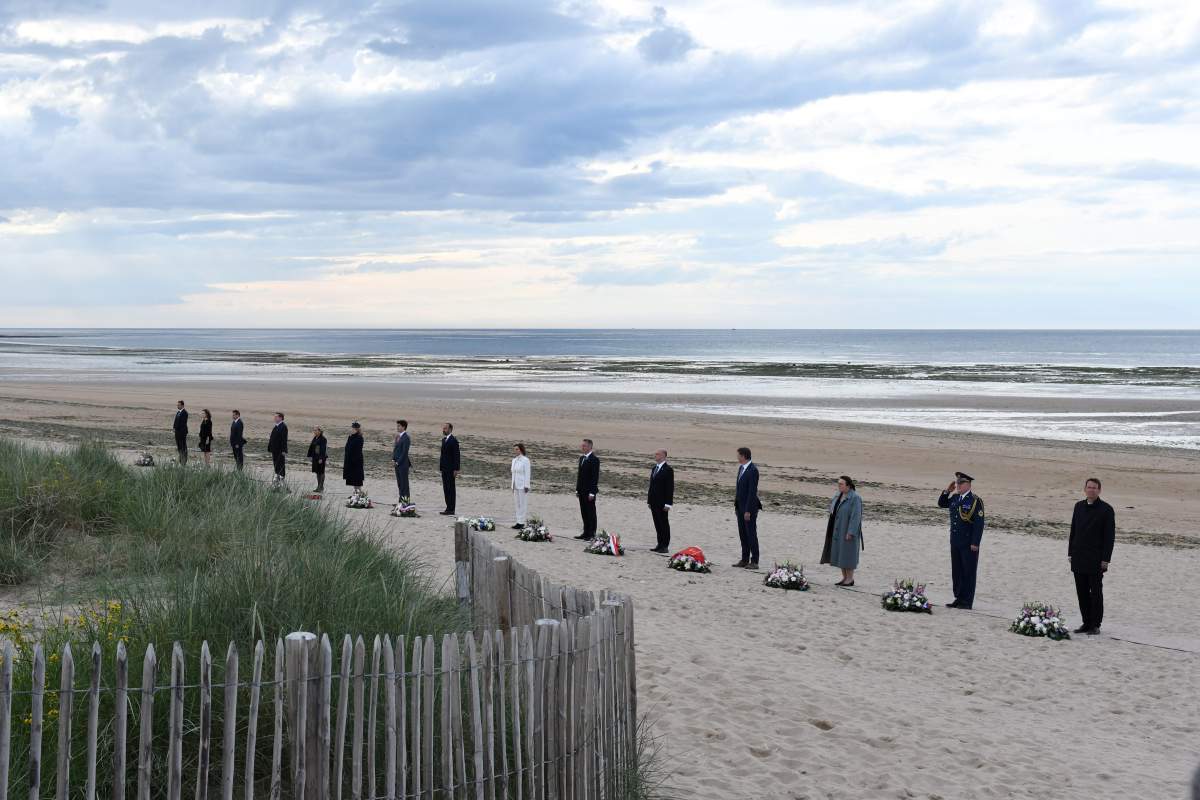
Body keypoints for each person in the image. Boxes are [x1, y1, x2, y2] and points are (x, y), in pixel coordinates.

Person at [1068, 477, 1116, 635]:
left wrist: (1106, 559)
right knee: (1081, 592)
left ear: (1099, 490)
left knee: (1096, 593)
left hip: (1096, 559)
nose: (1091, 490)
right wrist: (1070, 553)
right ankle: (1086, 622)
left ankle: (1095, 625)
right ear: (1085, 489)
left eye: (1094, 488)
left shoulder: (1106, 510)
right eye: (1089, 487)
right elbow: (1073, 531)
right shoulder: (1078, 506)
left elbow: (1109, 537)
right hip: (1078, 556)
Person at [938, 472, 985, 609]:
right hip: (955, 541)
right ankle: (958, 597)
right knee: (957, 571)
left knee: (968, 571)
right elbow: (941, 503)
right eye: (957, 483)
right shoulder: (955, 497)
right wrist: (947, 491)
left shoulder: (975, 501)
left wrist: (975, 543)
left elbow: (979, 524)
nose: (957, 485)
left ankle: (967, 601)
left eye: (960, 483)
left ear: (968, 484)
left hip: (968, 542)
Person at [827, 476, 863, 586]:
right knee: (840, 554)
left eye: (841, 484)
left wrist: (851, 532)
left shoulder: (855, 498)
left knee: (848, 554)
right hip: (838, 528)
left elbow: (856, 516)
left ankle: (850, 579)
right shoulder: (838, 495)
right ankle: (844, 578)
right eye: (838, 483)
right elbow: (832, 508)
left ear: (848, 485)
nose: (839, 486)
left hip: (847, 529)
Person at [733, 446, 763, 569]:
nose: (737, 457)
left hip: (748, 509)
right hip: (740, 507)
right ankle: (744, 559)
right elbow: (739, 489)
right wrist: (737, 506)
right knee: (742, 534)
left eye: (738, 455)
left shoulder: (753, 470)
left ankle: (754, 561)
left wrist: (748, 511)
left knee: (751, 534)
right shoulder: (741, 468)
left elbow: (752, 492)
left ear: (744, 456)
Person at [647, 449, 674, 553]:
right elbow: (651, 486)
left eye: (657, 454)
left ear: (663, 456)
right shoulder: (654, 468)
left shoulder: (668, 470)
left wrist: (668, 503)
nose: (655, 455)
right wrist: (649, 500)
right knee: (657, 523)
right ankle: (659, 544)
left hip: (663, 502)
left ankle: (665, 545)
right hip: (654, 501)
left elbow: (670, 488)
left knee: (663, 523)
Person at [575, 439, 600, 540]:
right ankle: (585, 532)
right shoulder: (582, 458)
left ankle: (591, 533)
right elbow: (579, 476)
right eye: (582, 446)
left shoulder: (594, 459)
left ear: (590, 447)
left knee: (591, 512)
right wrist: (577, 489)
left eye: (584, 446)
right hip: (581, 490)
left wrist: (592, 492)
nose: (582, 447)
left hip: (589, 491)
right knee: (584, 511)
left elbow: (595, 477)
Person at [439, 423, 460, 515]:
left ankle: (451, 509)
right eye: (443, 428)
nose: (444, 430)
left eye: (446, 428)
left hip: (451, 469)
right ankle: (448, 507)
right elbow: (442, 455)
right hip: (444, 468)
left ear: (450, 429)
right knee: (446, 488)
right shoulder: (444, 440)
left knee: (451, 489)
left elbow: (456, 455)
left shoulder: (453, 440)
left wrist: (456, 469)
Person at [511, 443, 531, 529]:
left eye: (517, 449)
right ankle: (518, 521)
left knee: (523, 504)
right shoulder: (514, 460)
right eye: (514, 449)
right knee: (517, 504)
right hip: (515, 485)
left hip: (522, 485)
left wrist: (526, 485)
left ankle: (522, 522)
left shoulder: (525, 460)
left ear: (521, 450)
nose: (516, 451)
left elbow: (527, 473)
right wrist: (512, 485)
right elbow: (513, 473)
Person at [343, 422, 365, 496]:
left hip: (356, 461)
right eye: (351, 428)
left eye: (352, 429)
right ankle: (356, 492)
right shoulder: (351, 437)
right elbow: (347, 447)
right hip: (349, 460)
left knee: (357, 478)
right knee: (352, 478)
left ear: (356, 429)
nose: (351, 430)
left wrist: (353, 459)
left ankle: (359, 492)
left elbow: (357, 450)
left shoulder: (359, 438)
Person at [392, 419, 412, 502]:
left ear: (404, 427)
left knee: (404, 483)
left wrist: (398, 462)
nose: (397, 427)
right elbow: (395, 449)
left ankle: (406, 501)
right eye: (397, 426)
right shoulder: (398, 436)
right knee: (399, 483)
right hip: (396, 463)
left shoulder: (406, 438)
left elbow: (404, 452)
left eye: (399, 426)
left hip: (403, 464)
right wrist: (393, 459)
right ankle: (401, 500)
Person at [267, 412, 288, 486]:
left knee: (280, 463)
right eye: (274, 417)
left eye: (276, 417)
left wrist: (284, 450)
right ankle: (277, 476)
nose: (274, 418)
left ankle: (282, 478)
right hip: (274, 449)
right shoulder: (276, 426)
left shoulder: (283, 426)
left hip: (280, 450)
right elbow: (272, 438)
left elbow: (284, 440)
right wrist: (269, 447)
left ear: (280, 418)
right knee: (275, 463)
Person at [307, 426, 328, 494]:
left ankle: (321, 487)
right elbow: (311, 447)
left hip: (321, 457)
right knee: (317, 471)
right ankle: (319, 486)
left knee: (321, 472)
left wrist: (321, 458)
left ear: (320, 431)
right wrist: (309, 455)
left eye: (316, 430)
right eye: (314, 430)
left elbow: (323, 449)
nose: (314, 431)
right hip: (315, 457)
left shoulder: (323, 439)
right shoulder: (315, 438)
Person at [173, 400, 189, 465]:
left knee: (183, 446)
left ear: (182, 405)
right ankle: (180, 459)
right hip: (177, 432)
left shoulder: (185, 413)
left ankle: (184, 461)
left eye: (179, 405)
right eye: (177, 405)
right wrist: (174, 427)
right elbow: (175, 421)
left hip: (182, 432)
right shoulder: (178, 412)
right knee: (179, 446)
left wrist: (177, 428)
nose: (177, 406)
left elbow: (182, 423)